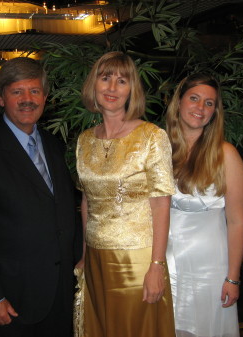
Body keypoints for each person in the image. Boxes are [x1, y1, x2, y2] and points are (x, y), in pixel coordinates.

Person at [0, 57, 77, 337]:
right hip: (11, 299)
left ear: (45, 97)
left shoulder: (55, 145)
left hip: (59, 292)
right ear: (0, 97)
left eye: (34, 91)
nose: (27, 99)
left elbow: (62, 211)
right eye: (17, 92)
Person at [75, 51, 176, 337]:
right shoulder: (84, 140)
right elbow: (87, 201)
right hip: (95, 257)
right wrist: (84, 254)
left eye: (122, 81)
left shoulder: (151, 136)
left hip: (136, 260)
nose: (112, 88)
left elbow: (161, 206)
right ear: (93, 85)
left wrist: (157, 266)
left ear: (132, 89)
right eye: (105, 78)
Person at [165, 73, 243, 337]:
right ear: (179, 102)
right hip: (164, 264)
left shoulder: (226, 154)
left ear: (215, 112)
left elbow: (237, 222)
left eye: (209, 103)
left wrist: (233, 277)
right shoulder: (158, 147)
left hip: (209, 268)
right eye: (194, 98)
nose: (200, 108)